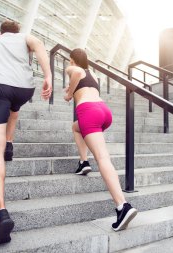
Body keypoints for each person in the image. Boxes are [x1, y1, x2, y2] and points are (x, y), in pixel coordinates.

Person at [0, 20, 52, 245]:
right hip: (23, 89)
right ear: (17, 32)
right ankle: (10, 142)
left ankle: (0, 212)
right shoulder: (25, 38)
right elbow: (39, 44)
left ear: (0, 32)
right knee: (13, 107)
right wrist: (48, 76)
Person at [64, 48, 137, 231]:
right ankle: (83, 162)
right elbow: (84, 78)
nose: (69, 64)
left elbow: (76, 73)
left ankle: (122, 206)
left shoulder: (73, 68)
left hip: (89, 111)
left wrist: (68, 93)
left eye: (70, 61)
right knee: (76, 127)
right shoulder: (94, 75)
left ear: (72, 60)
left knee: (103, 158)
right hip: (103, 112)